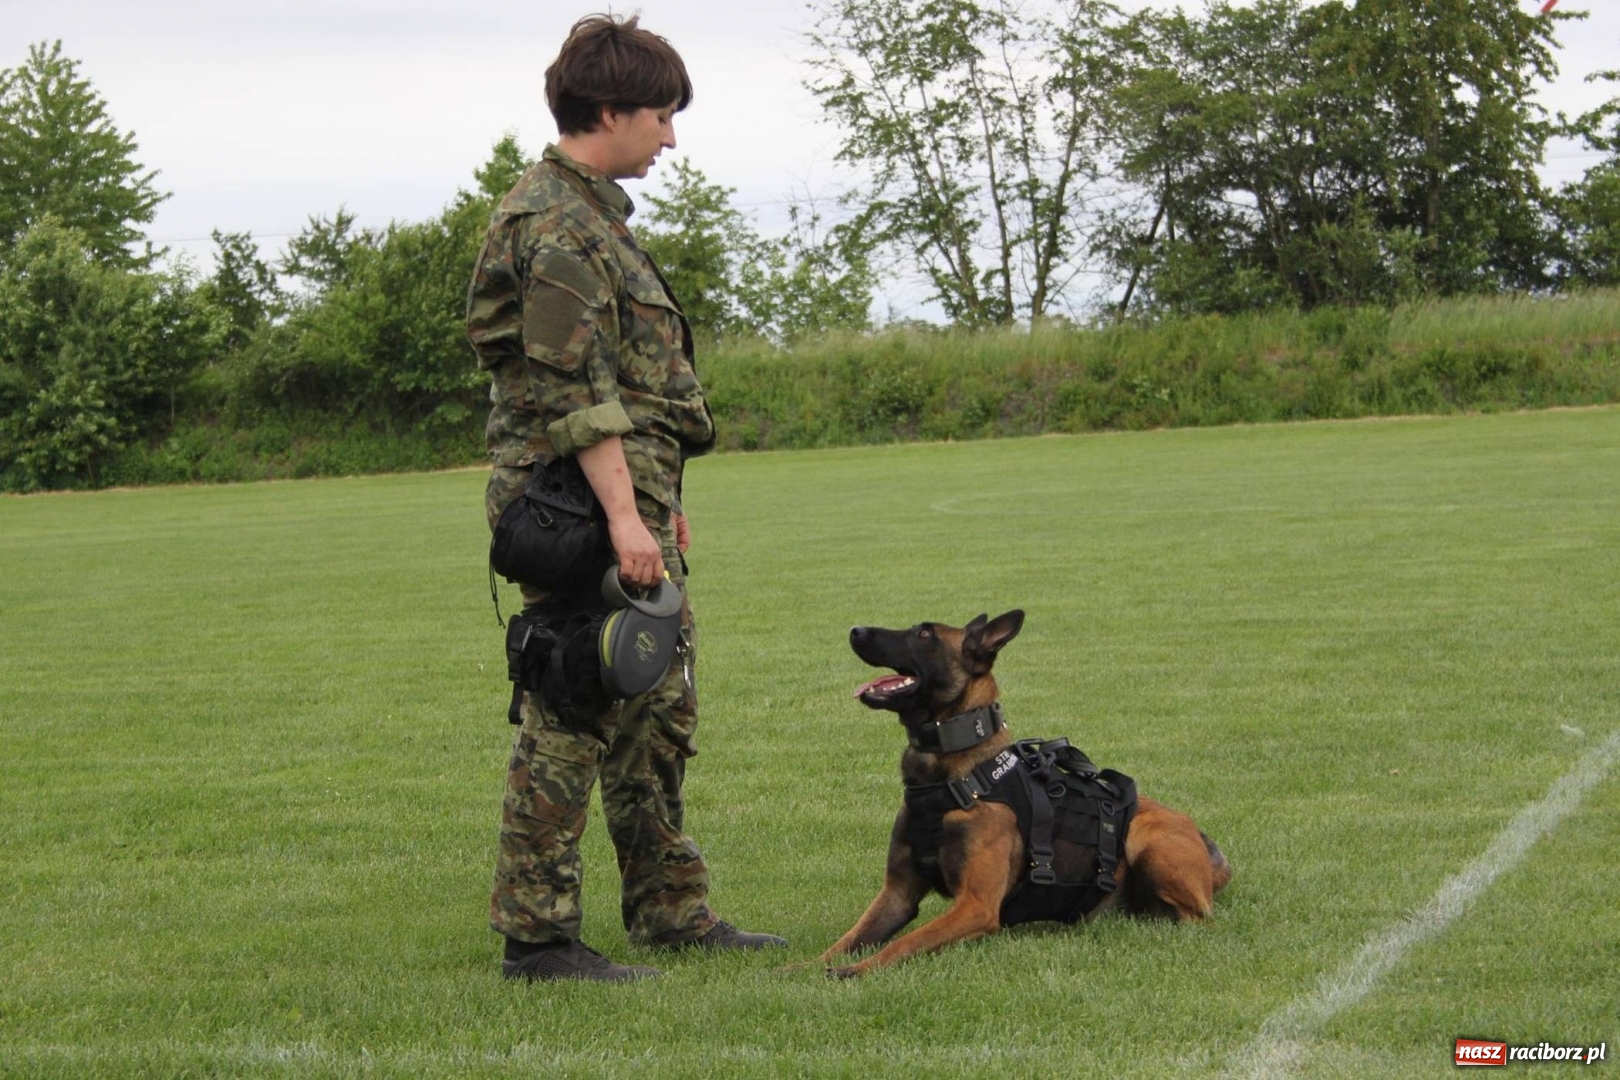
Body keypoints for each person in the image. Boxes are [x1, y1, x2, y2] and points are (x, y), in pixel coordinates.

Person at [465, 13, 785, 982]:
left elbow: (634, 390)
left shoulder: (592, 217)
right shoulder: (556, 226)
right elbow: (575, 396)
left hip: (624, 496)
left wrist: (657, 500)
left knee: (655, 704)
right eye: (661, 115)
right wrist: (622, 517)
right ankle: (539, 937)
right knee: (575, 700)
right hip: (575, 508)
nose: (671, 138)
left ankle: (669, 906)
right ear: (609, 110)